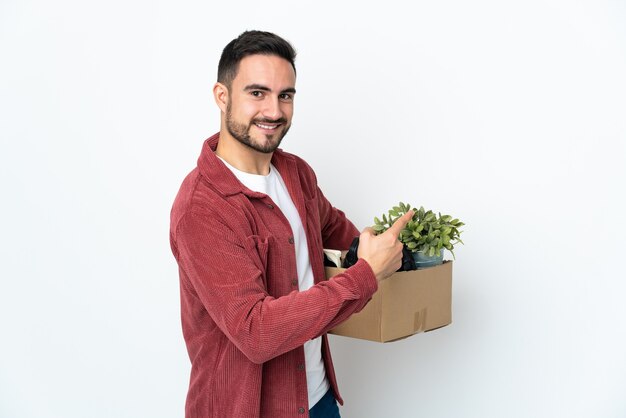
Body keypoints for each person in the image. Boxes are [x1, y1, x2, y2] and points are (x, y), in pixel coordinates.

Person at [169, 30, 413, 418]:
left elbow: (339, 236)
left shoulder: (296, 173)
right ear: (222, 95)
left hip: (318, 399)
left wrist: (398, 250)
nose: (274, 111)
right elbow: (256, 332)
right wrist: (366, 274)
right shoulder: (202, 208)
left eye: (286, 95)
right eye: (257, 93)